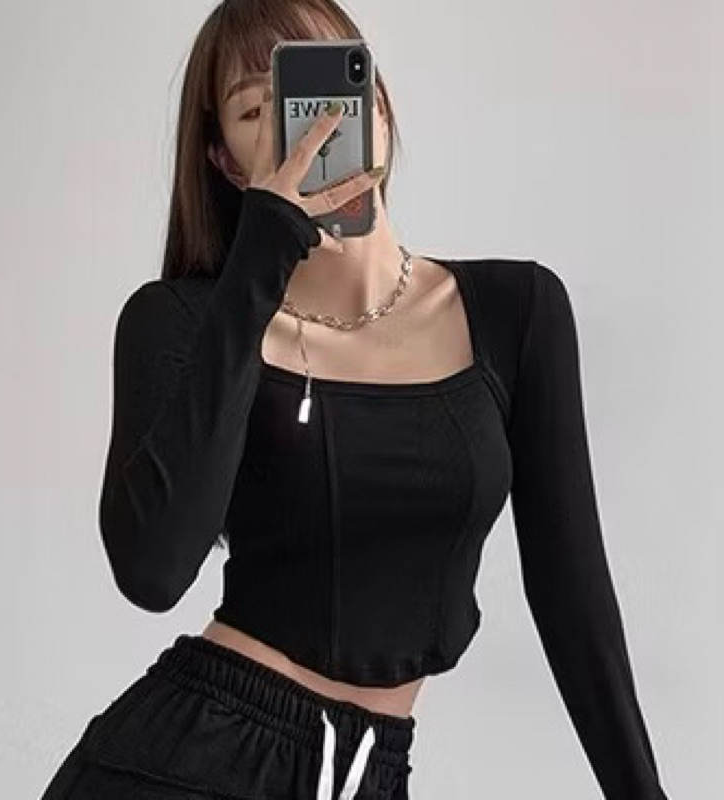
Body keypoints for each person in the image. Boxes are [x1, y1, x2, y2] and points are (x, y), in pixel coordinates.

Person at [39, 1, 671, 798]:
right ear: (227, 162)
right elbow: (152, 571)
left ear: (377, 106)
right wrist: (260, 259)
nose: (297, 129)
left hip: (369, 774)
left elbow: (575, 601)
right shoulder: (183, 322)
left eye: (314, 91)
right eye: (255, 111)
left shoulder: (518, 313)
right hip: (191, 765)